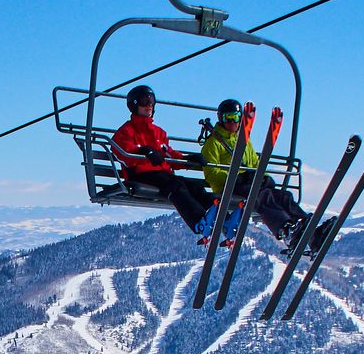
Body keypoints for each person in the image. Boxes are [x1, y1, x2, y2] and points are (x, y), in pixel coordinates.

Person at [199, 98, 333, 253]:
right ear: (220, 119)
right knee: (262, 198)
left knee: (283, 196)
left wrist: (262, 176)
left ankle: (309, 231)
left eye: (235, 117)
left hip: (249, 184)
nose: (232, 122)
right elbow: (211, 173)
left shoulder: (244, 142)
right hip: (229, 187)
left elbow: (256, 164)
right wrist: (236, 177)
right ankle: (284, 229)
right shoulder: (212, 144)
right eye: (227, 118)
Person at [111, 85, 219, 242]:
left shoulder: (158, 133)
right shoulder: (126, 132)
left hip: (163, 174)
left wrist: (188, 160)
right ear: (134, 105)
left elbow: (169, 154)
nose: (149, 105)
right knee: (175, 186)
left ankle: (221, 218)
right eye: (144, 101)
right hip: (140, 175)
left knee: (193, 186)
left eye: (151, 101)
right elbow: (122, 151)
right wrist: (143, 152)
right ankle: (199, 222)